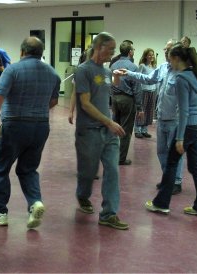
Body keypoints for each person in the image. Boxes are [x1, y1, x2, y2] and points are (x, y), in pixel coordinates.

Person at [0, 37, 60, 229]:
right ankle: (35, 202)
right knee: (28, 169)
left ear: (22, 52)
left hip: (15, 125)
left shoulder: (12, 70)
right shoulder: (52, 73)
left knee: (1, 168)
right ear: (41, 52)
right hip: (40, 127)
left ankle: (0, 212)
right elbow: (54, 101)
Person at [143, 43, 197, 217]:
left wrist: (180, 137)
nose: (169, 62)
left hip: (188, 127)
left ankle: (161, 203)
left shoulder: (181, 78)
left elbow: (183, 110)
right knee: (195, 167)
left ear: (176, 59)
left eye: (170, 58)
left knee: (171, 163)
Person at [114, 39, 185, 195]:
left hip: (175, 120)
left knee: (175, 153)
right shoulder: (163, 68)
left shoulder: (183, 72)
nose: (165, 52)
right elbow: (147, 78)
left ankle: (177, 181)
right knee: (161, 152)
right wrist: (129, 73)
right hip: (161, 118)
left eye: (168, 49)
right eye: (164, 50)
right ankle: (168, 178)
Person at [75, 32, 129, 230]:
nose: (113, 53)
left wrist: (115, 77)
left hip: (108, 131)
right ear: (99, 47)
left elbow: (105, 92)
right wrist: (109, 122)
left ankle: (108, 213)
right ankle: (82, 195)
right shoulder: (83, 70)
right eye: (111, 49)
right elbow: (86, 104)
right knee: (88, 173)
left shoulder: (106, 71)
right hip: (89, 131)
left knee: (113, 171)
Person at [110, 41, 140, 165]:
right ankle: (121, 158)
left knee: (114, 128)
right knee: (126, 130)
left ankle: (111, 155)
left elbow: (111, 83)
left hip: (115, 98)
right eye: (133, 50)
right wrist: (140, 106)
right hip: (127, 99)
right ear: (130, 52)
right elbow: (137, 88)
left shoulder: (113, 65)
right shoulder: (133, 67)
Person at [134, 48, 157, 138]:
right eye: (149, 55)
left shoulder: (154, 67)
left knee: (149, 111)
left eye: (152, 55)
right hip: (144, 90)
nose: (151, 56)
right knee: (141, 111)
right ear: (146, 56)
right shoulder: (142, 66)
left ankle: (144, 129)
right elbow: (138, 78)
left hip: (152, 90)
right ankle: (137, 130)